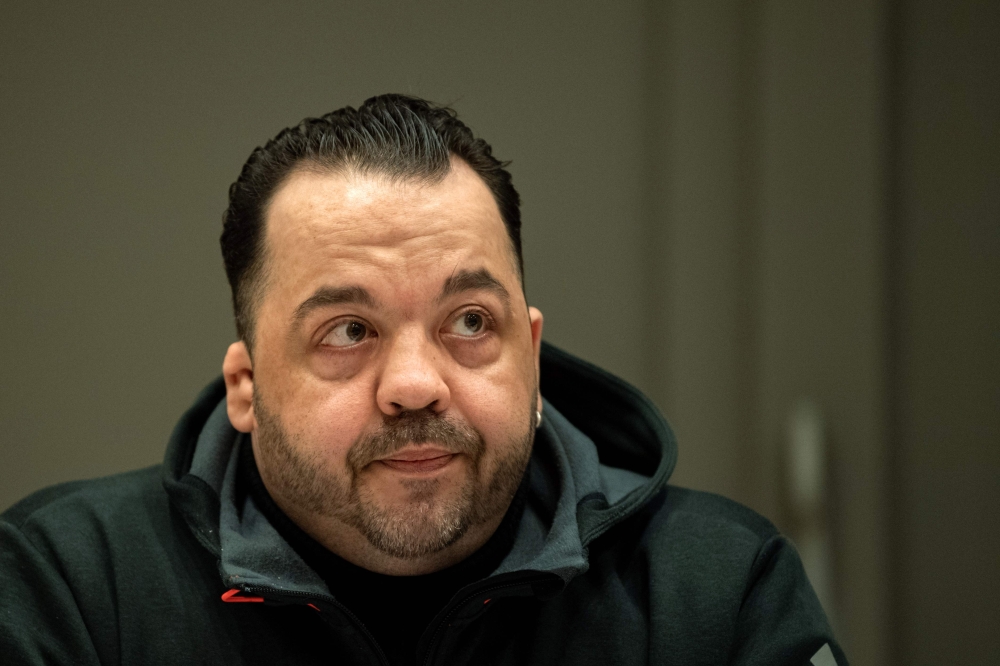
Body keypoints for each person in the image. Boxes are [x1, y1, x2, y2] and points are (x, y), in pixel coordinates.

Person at [0, 94, 846, 666]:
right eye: (349, 332)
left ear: (533, 353)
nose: (414, 384)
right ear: (246, 385)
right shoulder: (69, 589)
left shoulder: (715, 591)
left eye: (470, 322)